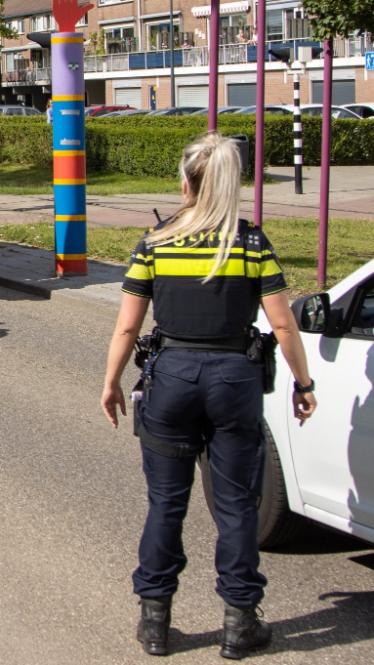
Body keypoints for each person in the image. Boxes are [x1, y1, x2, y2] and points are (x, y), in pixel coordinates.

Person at [100, 133, 318, 660]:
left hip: (171, 380)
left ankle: (154, 621)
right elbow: (283, 324)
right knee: (237, 504)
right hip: (234, 381)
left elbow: (128, 328)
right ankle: (239, 624)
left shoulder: (155, 242)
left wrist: (110, 384)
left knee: (165, 504)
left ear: (185, 182)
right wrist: (303, 384)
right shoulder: (249, 243)